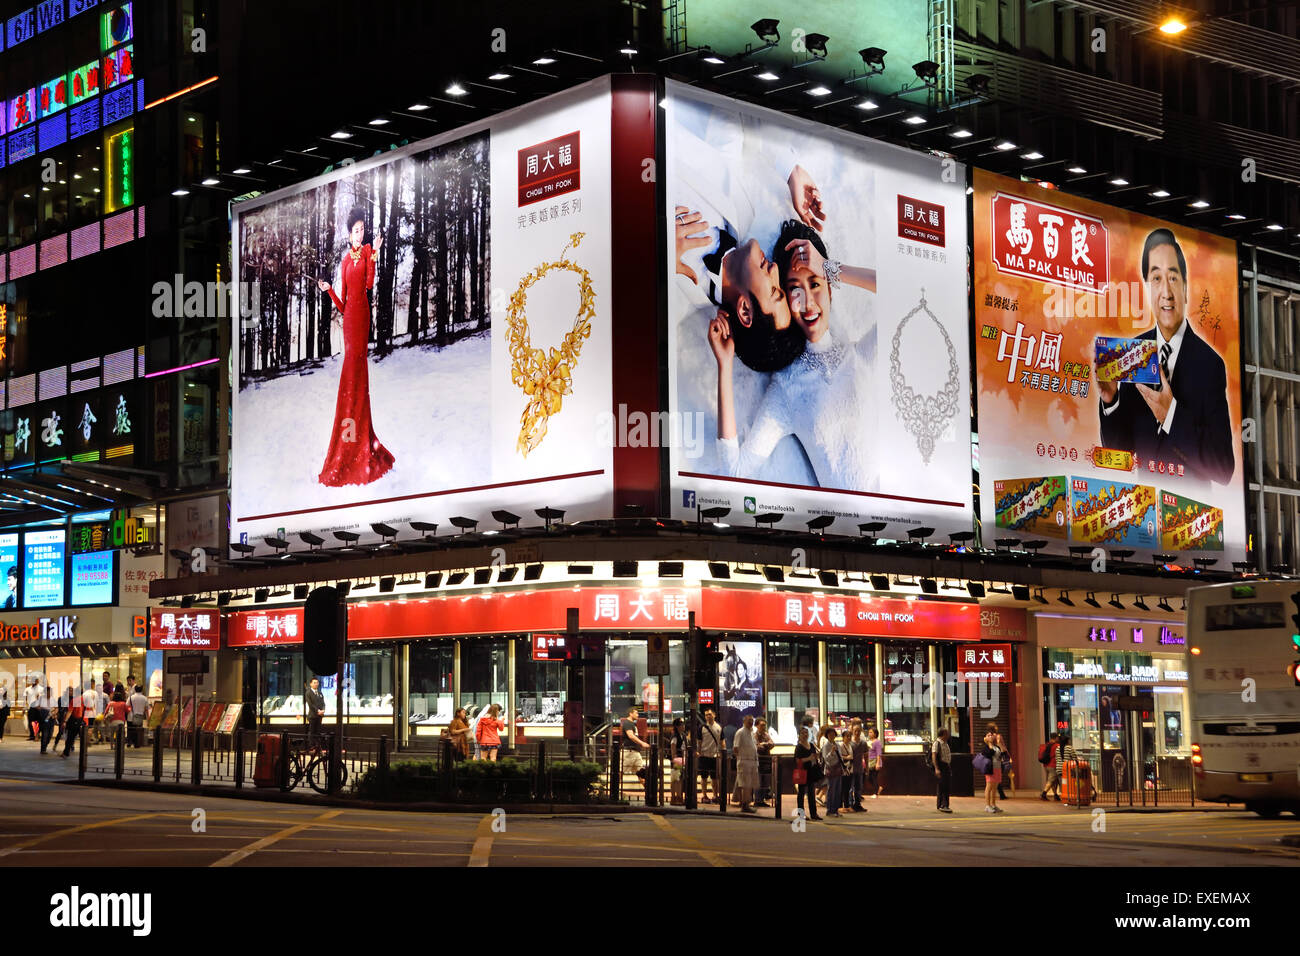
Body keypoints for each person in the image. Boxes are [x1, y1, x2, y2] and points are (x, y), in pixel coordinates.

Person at [709, 219, 880, 490]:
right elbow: (735, 472)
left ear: (830, 288)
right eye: (794, 290)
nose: (808, 303)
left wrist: (830, 267)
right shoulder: (787, 389)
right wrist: (725, 364)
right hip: (851, 529)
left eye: (815, 284)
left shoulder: (863, 356)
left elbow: (908, 297)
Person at [1095, 227, 1234, 484]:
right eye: (1156, 278)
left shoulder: (1209, 364)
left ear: (1185, 287)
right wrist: (1111, 401)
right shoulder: (1132, 355)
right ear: (1147, 287)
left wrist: (1171, 414)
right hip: (1142, 512)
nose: (1166, 293)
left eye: (1173, 277)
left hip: (1191, 514)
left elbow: (1223, 468)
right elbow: (1120, 458)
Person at [316, 206, 394, 487]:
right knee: (350, 378)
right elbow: (343, 303)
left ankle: (360, 442)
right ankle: (349, 440)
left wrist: (374, 257)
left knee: (358, 378)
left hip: (362, 320)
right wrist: (330, 292)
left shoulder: (369, 252)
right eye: (355, 230)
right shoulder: (345, 261)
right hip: (349, 319)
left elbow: (370, 284)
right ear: (349, 234)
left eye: (362, 229)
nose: (359, 234)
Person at [793, 727, 821, 821]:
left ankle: (814, 813)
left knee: (811, 793)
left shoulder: (811, 745)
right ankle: (801, 814)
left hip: (811, 771)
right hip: (802, 771)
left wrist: (815, 757)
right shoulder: (799, 747)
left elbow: (815, 755)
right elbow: (798, 761)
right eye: (803, 733)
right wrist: (808, 758)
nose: (805, 734)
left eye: (806, 733)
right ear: (799, 735)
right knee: (801, 793)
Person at [733, 714, 760, 813]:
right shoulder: (740, 732)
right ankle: (744, 805)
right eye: (749, 720)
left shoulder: (752, 733)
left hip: (753, 762)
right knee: (745, 784)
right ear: (744, 721)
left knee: (750, 785)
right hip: (744, 762)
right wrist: (741, 758)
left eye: (752, 720)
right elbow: (735, 748)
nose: (751, 722)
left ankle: (747, 803)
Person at [697, 708, 724, 804]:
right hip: (704, 755)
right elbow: (699, 742)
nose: (708, 716)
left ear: (714, 715)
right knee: (703, 777)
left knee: (714, 777)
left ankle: (715, 795)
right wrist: (698, 752)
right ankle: (704, 795)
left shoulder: (719, 727)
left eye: (709, 714)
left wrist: (721, 752)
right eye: (706, 715)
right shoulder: (702, 727)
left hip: (715, 755)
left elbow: (722, 741)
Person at [821, 726, 847, 817]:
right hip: (831, 770)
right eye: (829, 734)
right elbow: (826, 759)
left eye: (833, 734)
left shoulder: (837, 745)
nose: (832, 736)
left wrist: (843, 768)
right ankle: (830, 810)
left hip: (838, 770)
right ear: (827, 735)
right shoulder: (826, 746)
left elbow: (840, 757)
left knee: (837, 791)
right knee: (831, 790)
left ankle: (835, 810)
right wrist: (831, 752)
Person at [620, 706, 650, 785]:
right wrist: (642, 743)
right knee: (620, 772)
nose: (638, 715)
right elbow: (631, 736)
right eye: (636, 713)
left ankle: (647, 791)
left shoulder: (632, 724)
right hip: (629, 752)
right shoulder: (627, 723)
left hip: (635, 752)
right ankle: (615, 792)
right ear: (630, 713)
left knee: (641, 773)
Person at [981, 724, 1004, 813]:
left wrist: (999, 744)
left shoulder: (996, 746)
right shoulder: (986, 748)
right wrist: (989, 743)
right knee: (989, 786)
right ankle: (987, 805)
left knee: (995, 787)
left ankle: (993, 804)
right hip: (990, 769)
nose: (991, 736)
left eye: (991, 735)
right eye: (988, 735)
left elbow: (1001, 754)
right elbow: (990, 753)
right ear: (985, 738)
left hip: (997, 768)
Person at [753, 717, 774, 807]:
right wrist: (765, 745)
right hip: (758, 760)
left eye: (765, 725)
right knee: (758, 780)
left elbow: (772, 744)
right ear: (757, 726)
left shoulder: (766, 734)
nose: (763, 727)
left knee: (765, 780)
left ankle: (762, 799)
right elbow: (757, 747)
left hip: (766, 760)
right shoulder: (754, 735)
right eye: (762, 725)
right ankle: (757, 800)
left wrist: (764, 744)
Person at [848, 725, 868, 812]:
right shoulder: (849, 742)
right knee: (850, 787)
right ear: (852, 731)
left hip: (859, 768)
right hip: (850, 768)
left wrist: (866, 767)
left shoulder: (863, 743)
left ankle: (858, 804)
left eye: (858, 731)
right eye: (855, 731)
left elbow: (866, 756)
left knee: (858, 787)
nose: (857, 733)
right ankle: (850, 804)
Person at [1054, 732, 1078, 803]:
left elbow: (1056, 758)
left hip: (1059, 768)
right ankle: (1069, 797)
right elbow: (1074, 758)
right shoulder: (1069, 748)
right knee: (1069, 784)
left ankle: (1064, 797)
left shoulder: (1058, 748)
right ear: (1067, 741)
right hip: (1068, 768)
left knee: (1063, 784)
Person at [61, 686, 85, 759]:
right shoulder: (83, 700)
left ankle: (66, 753)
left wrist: (65, 721)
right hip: (81, 720)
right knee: (82, 739)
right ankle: (84, 754)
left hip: (74, 720)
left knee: (70, 738)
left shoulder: (75, 700)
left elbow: (70, 711)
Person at [933, 728, 953, 813]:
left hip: (946, 766)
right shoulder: (937, 743)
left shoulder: (945, 743)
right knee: (942, 786)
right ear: (943, 734)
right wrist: (936, 768)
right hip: (941, 765)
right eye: (947, 733)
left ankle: (945, 805)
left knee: (946, 786)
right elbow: (934, 756)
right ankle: (942, 805)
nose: (948, 734)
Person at [669, 718, 688, 806]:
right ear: (677, 726)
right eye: (681, 725)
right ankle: (674, 797)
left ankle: (679, 796)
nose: (683, 726)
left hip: (682, 759)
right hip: (677, 759)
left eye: (683, 724)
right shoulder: (675, 736)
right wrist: (674, 758)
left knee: (680, 778)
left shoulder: (683, 735)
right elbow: (673, 747)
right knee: (675, 778)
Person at [304, 677, 326, 751]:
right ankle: (311, 746)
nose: (316, 684)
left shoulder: (320, 693)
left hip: (320, 716)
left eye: (317, 682)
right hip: (312, 715)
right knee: (312, 731)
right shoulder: (308, 693)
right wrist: (317, 711)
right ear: (310, 684)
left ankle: (318, 746)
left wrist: (323, 710)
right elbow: (310, 704)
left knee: (318, 731)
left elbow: (323, 703)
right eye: (314, 682)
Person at [1039, 733, 1061, 800]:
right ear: (1056, 738)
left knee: (1054, 780)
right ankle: (1044, 793)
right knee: (1051, 780)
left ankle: (1055, 795)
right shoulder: (1057, 746)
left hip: (1046, 765)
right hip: (1053, 765)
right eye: (1058, 737)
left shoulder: (1046, 745)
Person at [866, 727, 884, 797]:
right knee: (869, 778)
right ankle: (879, 788)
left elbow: (879, 753)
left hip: (875, 761)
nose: (869, 734)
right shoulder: (869, 741)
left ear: (875, 734)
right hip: (870, 762)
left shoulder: (877, 742)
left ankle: (875, 793)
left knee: (874, 777)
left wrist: (878, 763)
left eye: (871, 732)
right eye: (869, 732)